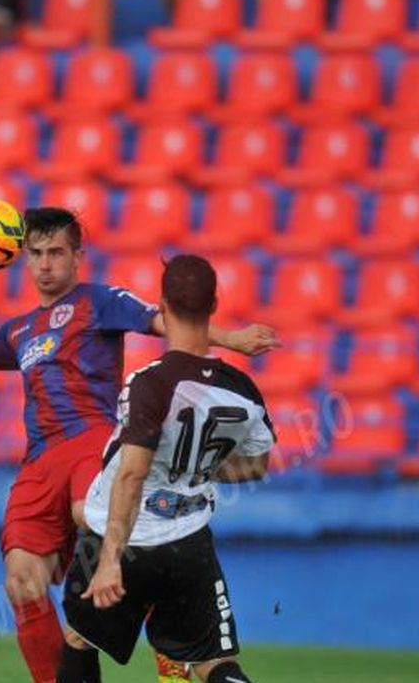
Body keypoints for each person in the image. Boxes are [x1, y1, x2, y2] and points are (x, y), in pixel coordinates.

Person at [0, 207, 279, 683]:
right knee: (22, 583)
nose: (45, 264)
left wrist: (231, 339)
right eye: (36, 254)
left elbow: (168, 322)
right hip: (39, 463)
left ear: (78, 257)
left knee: (100, 521)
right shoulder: (19, 331)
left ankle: (168, 639)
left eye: (56, 253)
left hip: (92, 445)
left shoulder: (99, 301)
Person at [58, 254, 275, 683]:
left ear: (161, 306)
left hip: (127, 540)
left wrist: (110, 561)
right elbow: (256, 466)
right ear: (214, 306)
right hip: (190, 543)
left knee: (80, 638)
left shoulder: (150, 384)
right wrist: (194, 470)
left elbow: (133, 474)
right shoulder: (243, 390)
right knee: (214, 663)